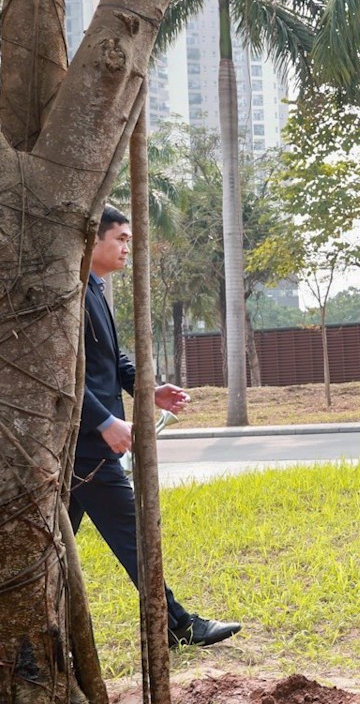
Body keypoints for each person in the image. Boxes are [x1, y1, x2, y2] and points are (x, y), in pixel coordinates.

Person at [75, 205, 241, 649]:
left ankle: (31, 644)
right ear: (93, 238)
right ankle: (179, 625)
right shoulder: (72, 291)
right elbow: (61, 371)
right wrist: (104, 421)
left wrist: (147, 391)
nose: (127, 248)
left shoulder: (95, 288)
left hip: (85, 448)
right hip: (84, 447)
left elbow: (110, 361)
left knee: (54, 548)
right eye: (121, 239)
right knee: (135, 536)